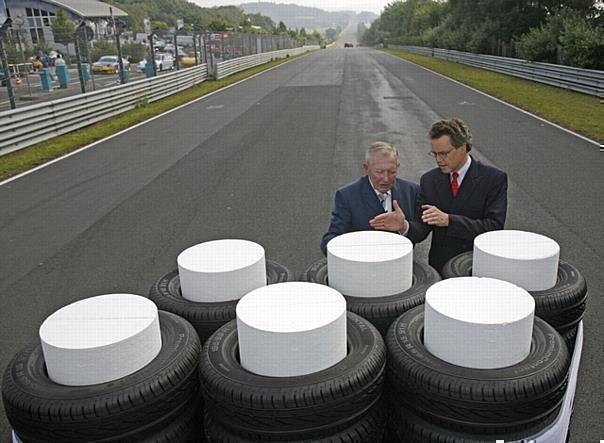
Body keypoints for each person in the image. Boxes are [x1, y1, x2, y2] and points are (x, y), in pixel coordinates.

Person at [373, 118, 508, 273]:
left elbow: (494, 228)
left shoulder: (493, 179)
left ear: (463, 148)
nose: (438, 160)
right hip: (440, 267)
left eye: (444, 153)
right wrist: (404, 226)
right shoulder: (429, 180)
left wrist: (449, 220)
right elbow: (423, 228)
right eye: (435, 154)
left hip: (477, 266)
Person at [321, 141, 420, 255]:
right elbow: (330, 240)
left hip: (399, 265)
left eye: (392, 172)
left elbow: (421, 232)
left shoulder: (412, 191)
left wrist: (404, 227)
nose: (386, 178)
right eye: (379, 172)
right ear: (366, 168)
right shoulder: (347, 196)